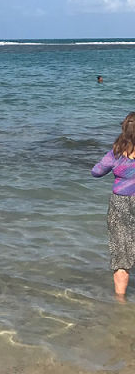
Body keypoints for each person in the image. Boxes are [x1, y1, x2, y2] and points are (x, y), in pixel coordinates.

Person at [91, 112, 135, 300]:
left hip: (120, 205)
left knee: (121, 257)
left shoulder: (116, 154)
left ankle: (120, 307)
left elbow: (96, 172)